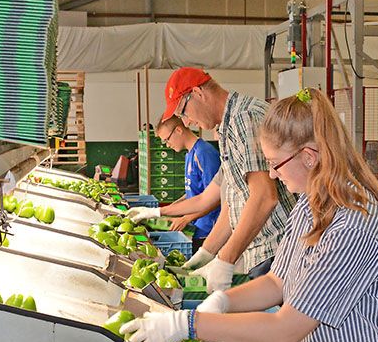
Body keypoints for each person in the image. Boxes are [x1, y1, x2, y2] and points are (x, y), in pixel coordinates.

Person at [122, 89, 378, 342]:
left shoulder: (352, 225)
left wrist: (190, 324)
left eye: (275, 164)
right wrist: (225, 301)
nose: (272, 174)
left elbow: (286, 329)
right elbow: (276, 281)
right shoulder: (309, 205)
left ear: (309, 156)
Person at [125, 68, 295, 292]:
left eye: (183, 112)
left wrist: (225, 259)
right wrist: (206, 254)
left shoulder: (243, 118)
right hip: (261, 251)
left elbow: (264, 197)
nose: (186, 122)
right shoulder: (226, 127)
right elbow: (231, 201)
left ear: (197, 93)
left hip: (277, 250)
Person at [152, 115, 221, 251]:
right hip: (197, 227)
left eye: (167, 139)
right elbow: (193, 192)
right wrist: (173, 208)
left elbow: (215, 199)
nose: (167, 144)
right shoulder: (190, 154)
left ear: (178, 130)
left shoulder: (204, 153)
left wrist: (185, 219)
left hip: (209, 231)